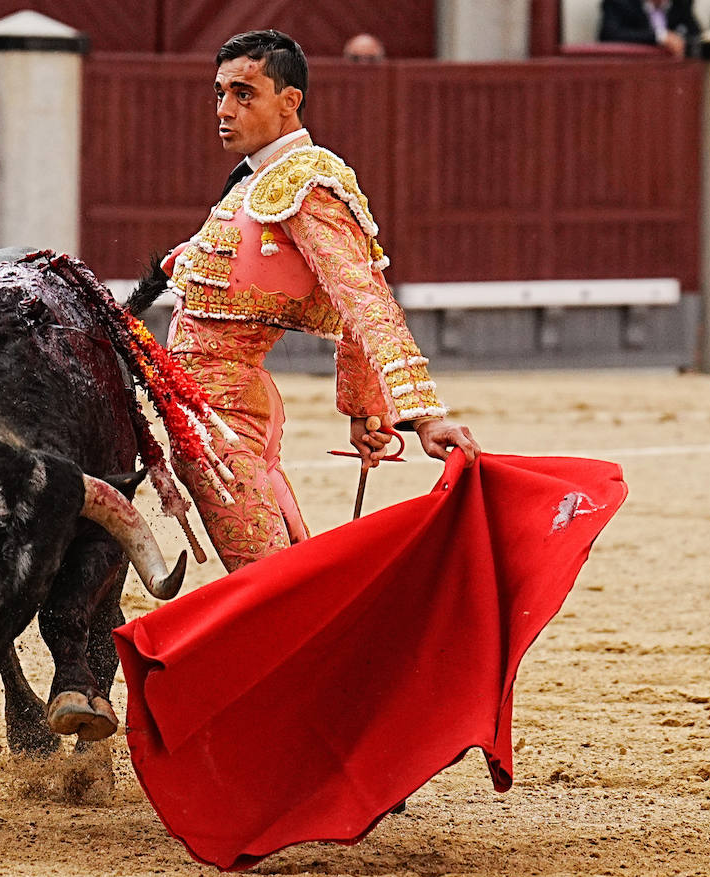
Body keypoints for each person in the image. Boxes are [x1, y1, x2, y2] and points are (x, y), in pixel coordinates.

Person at [158, 29, 479, 572]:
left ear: (290, 101)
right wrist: (364, 409)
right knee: (283, 573)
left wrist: (420, 416)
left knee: (268, 583)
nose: (225, 109)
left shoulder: (305, 185)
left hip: (223, 416)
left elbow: (364, 299)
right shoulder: (253, 182)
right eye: (219, 93)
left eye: (244, 94)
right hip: (213, 408)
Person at [598, 0, 701, 56]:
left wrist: (679, 40)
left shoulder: (681, 3)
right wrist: (660, 37)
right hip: (631, 72)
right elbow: (609, 34)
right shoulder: (619, 3)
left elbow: (696, 34)